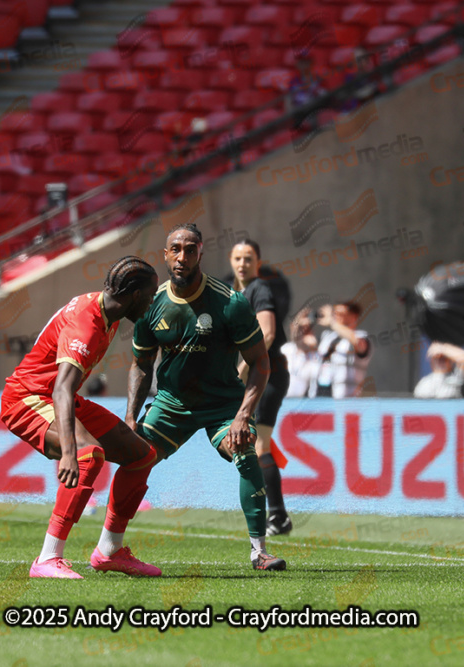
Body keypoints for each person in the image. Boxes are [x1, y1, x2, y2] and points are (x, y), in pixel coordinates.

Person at [126, 223, 285, 571]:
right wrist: (130, 419)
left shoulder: (230, 302)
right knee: (134, 458)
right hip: (171, 404)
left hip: (222, 405)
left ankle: (259, 552)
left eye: (190, 249)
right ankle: (109, 548)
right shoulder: (152, 304)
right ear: (166, 254)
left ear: (200, 252)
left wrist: (243, 415)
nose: (182, 257)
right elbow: (140, 365)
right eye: (176, 249)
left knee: (245, 451)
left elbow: (261, 361)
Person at [0, 256, 162, 579]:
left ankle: (110, 551)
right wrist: (70, 455)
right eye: (150, 293)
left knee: (142, 456)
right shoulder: (86, 325)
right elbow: (61, 389)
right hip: (27, 398)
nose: (152, 300)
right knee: (88, 457)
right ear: (133, 295)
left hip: (62, 397)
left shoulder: (109, 311)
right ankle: (47, 558)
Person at [230, 239, 293, 537]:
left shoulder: (260, 289)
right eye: (237, 258)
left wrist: (243, 369)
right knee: (254, 444)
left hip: (268, 373)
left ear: (258, 260)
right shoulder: (237, 293)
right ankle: (274, 514)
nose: (242, 263)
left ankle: (278, 515)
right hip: (258, 374)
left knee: (259, 444)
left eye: (248, 257)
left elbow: (267, 333)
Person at [316, 301, 372, 398]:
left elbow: (358, 343)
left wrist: (332, 323)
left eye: (341, 314)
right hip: (321, 392)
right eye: (334, 314)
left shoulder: (361, 336)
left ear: (354, 316)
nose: (336, 317)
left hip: (346, 397)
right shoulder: (328, 337)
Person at [281, 307, 320, 398]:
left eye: (307, 330)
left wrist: (313, 348)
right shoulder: (286, 350)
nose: (302, 333)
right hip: (282, 403)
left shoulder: (316, 355)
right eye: (301, 329)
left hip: (304, 406)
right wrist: (299, 321)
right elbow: (294, 334)